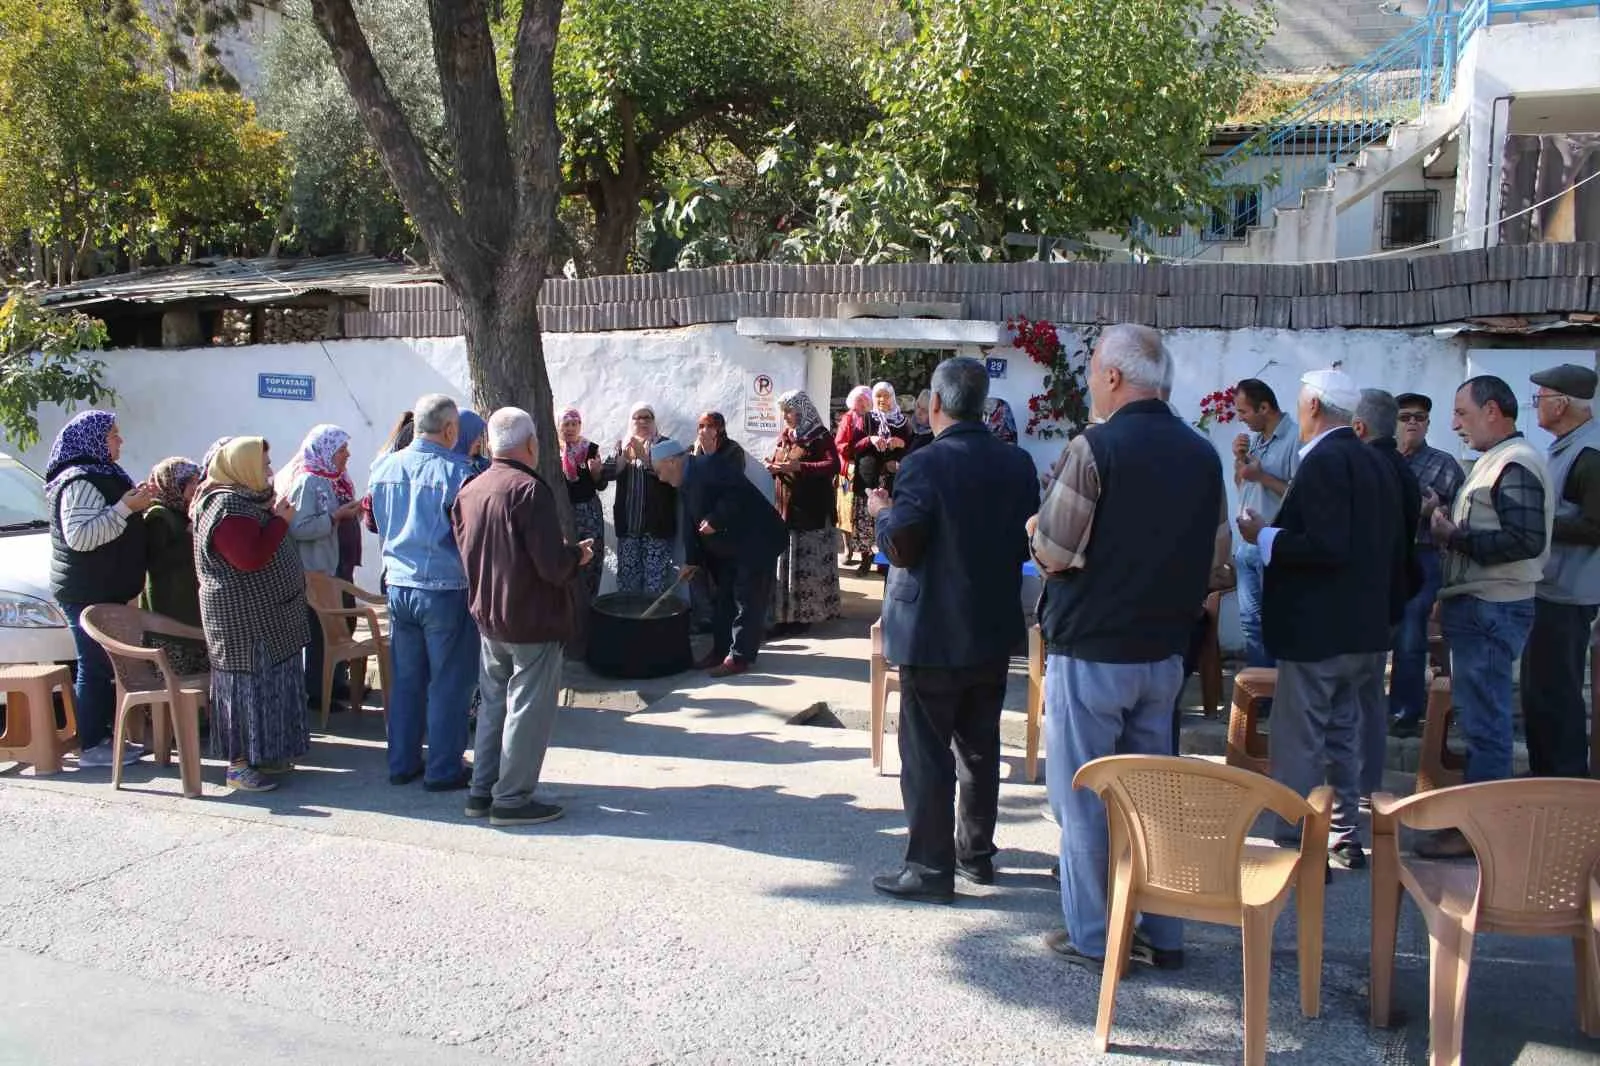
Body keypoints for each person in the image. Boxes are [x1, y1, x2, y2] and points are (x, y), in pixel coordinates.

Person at [1030, 327, 1222, 962]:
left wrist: (1036, 526)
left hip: (1093, 649)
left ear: (1113, 377)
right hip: (1164, 651)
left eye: (1093, 373)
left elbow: (1054, 552)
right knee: (1152, 801)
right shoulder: (1203, 455)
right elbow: (1218, 560)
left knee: (1086, 798)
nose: (1089, 383)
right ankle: (1164, 933)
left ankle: (1094, 938)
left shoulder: (1096, 448)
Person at [867, 356, 1038, 905]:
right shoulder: (1016, 464)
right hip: (989, 625)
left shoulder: (924, 464)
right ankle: (976, 857)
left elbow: (905, 544)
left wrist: (881, 514)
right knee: (979, 748)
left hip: (932, 630)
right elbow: (1023, 542)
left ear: (935, 404)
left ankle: (929, 867)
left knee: (926, 754)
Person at [1238, 369, 1402, 872]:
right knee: (1343, 734)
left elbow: (1326, 546)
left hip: (1320, 628)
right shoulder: (1375, 460)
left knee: (1301, 735)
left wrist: (1264, 536)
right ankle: (1343, 831)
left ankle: (1297, 837)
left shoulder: (1326, 460)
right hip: (1364, 627)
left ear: (1312, 407)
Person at [1423, 375, 1554, 857]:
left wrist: (1452, 537)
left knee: (1486, 725)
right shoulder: (1496, 462)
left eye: (1463, 412)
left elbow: (1525, 540)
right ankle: (1481, 828)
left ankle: (1482, 835)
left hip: (1492, 607)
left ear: (1493, 411)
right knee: (1481, 720)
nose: (1455, 423)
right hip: (1479, 604)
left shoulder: (1514, 463)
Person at [454, 408, 593, 827]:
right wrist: (578, 555)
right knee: (527, 710)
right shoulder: (528, 490)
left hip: (490, 614)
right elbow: (552, 565)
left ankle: (483, 790)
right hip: (529, 616)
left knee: (495, 704)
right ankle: (512, 798)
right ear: (531, 444)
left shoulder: (471, 489)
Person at [369, 393, 480, 791]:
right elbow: (467, 536)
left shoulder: (382, 466)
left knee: (406, 680)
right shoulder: (458, 473)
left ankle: (402, 761)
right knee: (449, 680)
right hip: (445, 586)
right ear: (450, 429)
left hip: (399, 583)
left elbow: (378, 522)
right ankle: (444, 767)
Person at [192, 437, 310, 792]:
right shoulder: (226, 507)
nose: (270, 470)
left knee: (271, 687)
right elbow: (249, 558)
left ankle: (267, 754)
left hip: (271, 618)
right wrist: (279, 522)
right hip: (244, 626)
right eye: (262, 463)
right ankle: (239, 765)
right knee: (246, 690)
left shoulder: (248, 501)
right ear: (240, 466)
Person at [44, 410, 152, 769]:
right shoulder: (79, 481)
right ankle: (91, 745)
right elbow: (81, 537)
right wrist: (125, 508)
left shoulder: (107, 475)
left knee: (104, 665)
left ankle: (106, 737)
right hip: (86, 591)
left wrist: (137, 505)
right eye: (113, 435)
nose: (120, 441)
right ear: (93, 440)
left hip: (106, 587)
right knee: (93, 666)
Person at [1523, 364, 1600, 777]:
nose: (1536, 405)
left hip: (1569, 593)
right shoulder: (1568, 446)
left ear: (1563, 403)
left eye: (1541, 397)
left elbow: (1594, 526)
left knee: (1558, 693)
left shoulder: (1590, 454)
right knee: (1539, 693)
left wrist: (1537, 520)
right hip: (1551, 588)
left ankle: (1567, 783)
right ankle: (1545, 776)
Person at [654, 438, 786, 678]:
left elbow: (737, 494)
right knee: (722, 599)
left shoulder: (710, 466)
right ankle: (721, 650)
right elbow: (690, 525)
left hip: (758, 540)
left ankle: (739, 658)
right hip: (732, 547)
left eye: (659, 470)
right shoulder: (683, 481)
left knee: (748, 599)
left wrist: (716, 519)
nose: (660, 477)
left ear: (672, 461)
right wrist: (691, 561)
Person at [1351, 389, 1421, 798]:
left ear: (1359, 426)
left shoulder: (1370, 466)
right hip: (1389, 594)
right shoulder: (1399, 466)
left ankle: (1358, 784)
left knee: (1359, 697)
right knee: (1369, 695)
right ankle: (1363, 782)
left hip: (1367, 600)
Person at [1388, 392, 1465, 738]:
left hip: (1423, 554)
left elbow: (1459, 516)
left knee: (1409, 629)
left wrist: (1434, 513)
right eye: (1405, 417)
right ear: (1394, 422)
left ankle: (1406, 712)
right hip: (1385, 556)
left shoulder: (1444, 464)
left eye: (1419, 417)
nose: (1413, 423)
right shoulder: (1382, 459)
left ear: (1428, 423)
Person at [279, 424, 363, 709]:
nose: (347, 455)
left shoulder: (334, 478)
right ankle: (316, 691)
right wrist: (335, 517)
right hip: (315, 569)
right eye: (341, 450)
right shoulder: (308, 482)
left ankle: (337, 683)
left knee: (338, 627)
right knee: (318, 631)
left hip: (334, 566)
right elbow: (299, 528)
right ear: (325, 451)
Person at [1230, 378, 1299, 672]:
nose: (1240, 418)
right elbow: (1242, 484)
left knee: (1277, 621)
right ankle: (1261, 693)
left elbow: (1300, 496)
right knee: (1250, 623)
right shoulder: (1257, 439)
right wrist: (1240, 462)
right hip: (1247, 546)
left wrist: (1263, 478)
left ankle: (1280, 691)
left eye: (1244, 411)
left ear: (1265, 407)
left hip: (1272, 543)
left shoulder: (1295, 438)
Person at [767, 390, 842, 637]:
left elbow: (833, 465)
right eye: (784, 411)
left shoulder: (819, 436)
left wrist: (801, 466)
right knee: (787, 567)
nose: (786, 416)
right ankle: (786, 616)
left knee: (807, 565)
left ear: (802, 410)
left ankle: (805, 616)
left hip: (811, 512)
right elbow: (782, 461)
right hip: (787, 510)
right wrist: (773, 466)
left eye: (789, 411)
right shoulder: (787, 436)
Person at [140, 457, 208, 677]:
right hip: (169, 617)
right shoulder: (158, 516)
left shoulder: (184, 514)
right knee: (175, 681)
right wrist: (190, 538)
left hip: (191, 613)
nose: (196, 488)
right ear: (174, 485)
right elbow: (156, 562)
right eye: (191, 483)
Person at [605, 402, 678, 596]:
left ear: (654, 421)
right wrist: (623, 460)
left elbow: (674, 478)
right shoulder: (622, 445)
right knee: (628, 586)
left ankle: (652, 626)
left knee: (655, 586)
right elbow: (607, 474)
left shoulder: (665, 445)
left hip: (657, 529)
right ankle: (631, 626)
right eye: (638, 417)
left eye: (648, 417)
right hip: (629, 527)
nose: (643, 421)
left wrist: (644, 458)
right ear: (631, 421)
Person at [847, 382, 912, 576]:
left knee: (888, 519)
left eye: (886, 396)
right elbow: (853, 446)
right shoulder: (866, 419)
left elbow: (911, 448)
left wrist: (900, 444)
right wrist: (870, 440)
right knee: (866, 520)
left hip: (891, 480)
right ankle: (866, 560)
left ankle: (885, 562)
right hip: (869, 478)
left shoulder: (903, 422)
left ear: (892, 397)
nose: (882, 400)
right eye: (878, 396)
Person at [559, 407, 609, 609]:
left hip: (589, 513)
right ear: (558, 427)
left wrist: (596, 473)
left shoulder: (590, 449)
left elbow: (601, 485)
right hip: (564, 512)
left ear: (580, 426)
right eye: (565, 424)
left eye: (574, 424)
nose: (570, 428)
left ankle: (589, 606)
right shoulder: (552, 451)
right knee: (567, 558)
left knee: (591, 558)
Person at [836, 386, 872, 566]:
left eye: (866, 399)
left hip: (868, 471)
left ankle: (866, 555)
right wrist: (859, 446)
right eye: (859, 400)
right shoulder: (848, 418)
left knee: (864, 514)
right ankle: (848, 549)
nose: (863, 403)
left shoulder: (875, 418)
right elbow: (840, 445)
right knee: (845, 511)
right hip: (849, 471)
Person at [455, 409, 490, 475]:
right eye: (474, 434)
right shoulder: (453, 473)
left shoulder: (484, 465)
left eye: (480, 434)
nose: (479, 439)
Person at [907, 389, 935, 455]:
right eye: (918, 406)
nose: (919, 412)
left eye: (924, 411)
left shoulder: (927, 440)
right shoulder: (912, 423)